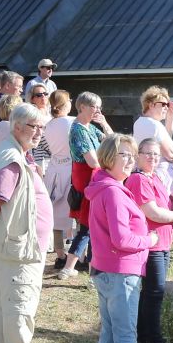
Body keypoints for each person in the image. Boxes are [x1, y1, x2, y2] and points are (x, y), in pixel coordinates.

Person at [0, 103, 54, 343]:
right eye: (34, 127)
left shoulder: (17, 153)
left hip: (16, 246)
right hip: (18, 248)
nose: (39, 133)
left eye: (42, 128)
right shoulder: (12, 158)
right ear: (18, 127)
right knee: (20, 308)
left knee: (4, 307)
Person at [85, 132, 154, 343]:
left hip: (106, 271)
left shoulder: (103, 187)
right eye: (124, 155)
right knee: (125, 338)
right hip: (121, 272)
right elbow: (122, 237)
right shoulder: (113, 191)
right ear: (110, 157)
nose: (130, 161)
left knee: (110, 337)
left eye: (131, 155)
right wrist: (148, 239)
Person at [128, 137, 173, 343]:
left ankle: (142, 338)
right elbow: (152, 213)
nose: (153, 158)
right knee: (154, 294)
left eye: (157, 155)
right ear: (137, 155)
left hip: (162, 243)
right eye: (148, 154)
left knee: (150, 294)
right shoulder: (138, 180)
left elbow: (162, 210)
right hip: (151, 244)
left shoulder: (153, 177)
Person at [56, 93, 108, 278]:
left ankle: (85, 264)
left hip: (92, 179)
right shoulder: (78, 129)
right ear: (83, 107)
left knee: (91, 224)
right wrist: (111, 167)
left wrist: (103, 123)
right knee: (88, 225)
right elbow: (93, 162)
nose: (98, 110)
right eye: (95, 107)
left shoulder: (89, 127)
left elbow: (111, 141)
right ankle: (73, 267)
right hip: (87, 179)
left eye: (99, 107)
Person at [41, 90, 75, 258]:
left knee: (55, 211)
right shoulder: (72, 122)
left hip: (54, 169)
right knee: (75, 211)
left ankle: (60, 253)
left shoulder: (48, 124)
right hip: (70, 168)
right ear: (65, 104)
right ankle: (78, 254)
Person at [131, 87, 173, 185]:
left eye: (167, 104)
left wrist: (170, 117)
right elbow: (169, 154)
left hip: (146, 172)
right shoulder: (155, 125)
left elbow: (166, 138)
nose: (166, 107)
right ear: (151, 105)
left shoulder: (139, 122)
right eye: (163, 104)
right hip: (160, 173)